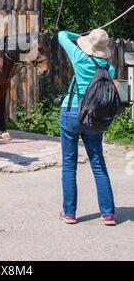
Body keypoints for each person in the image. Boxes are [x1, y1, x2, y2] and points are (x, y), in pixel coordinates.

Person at [58, 28, 116, 226]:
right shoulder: (109, 69)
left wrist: (79, 36)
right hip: (95, 118)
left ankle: (69, 213)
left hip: (72, 113)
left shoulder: (80, 58)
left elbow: (61, 35)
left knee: (69, 164)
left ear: (89, 46)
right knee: (98, 164)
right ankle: (108, 214)